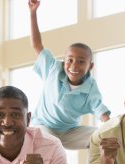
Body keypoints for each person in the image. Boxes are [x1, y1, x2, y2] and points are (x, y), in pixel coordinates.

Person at [28, 0, 111, 150]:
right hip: (44, 126)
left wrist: (110, 123)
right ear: (63, 60)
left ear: (90, 66)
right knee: (49, 145)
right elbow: (36, 45)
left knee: (103, 137)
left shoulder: (90, 86)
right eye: (70, 60)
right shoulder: (53, 68)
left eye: (80, 62)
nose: (74, 66)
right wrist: (33, 13)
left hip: (70, 132)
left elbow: (100, 109)